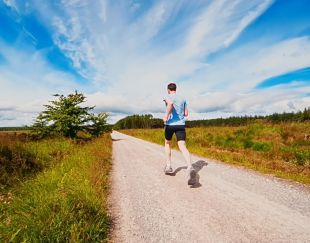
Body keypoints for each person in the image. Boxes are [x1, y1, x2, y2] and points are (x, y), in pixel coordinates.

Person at [163, 83, 196, 185]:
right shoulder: (183, 98)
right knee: (182, 146)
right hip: (181, 125)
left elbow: (170, 104)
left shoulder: (167, 96)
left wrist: (166, 116)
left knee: (167, 143)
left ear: (168, 89)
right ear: (175, 89)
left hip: (170, 124)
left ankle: (168, 166)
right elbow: (186, 114)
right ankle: (190, 167)